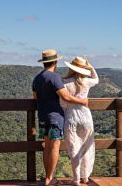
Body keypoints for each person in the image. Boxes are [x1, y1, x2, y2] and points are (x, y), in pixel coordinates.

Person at [32, 49, 89, 186]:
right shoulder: (54, 77)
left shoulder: (37, 78)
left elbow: (35, 97)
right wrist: (83, 101)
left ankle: (48, 177)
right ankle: (49, 179)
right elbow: (65, 96)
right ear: (55, 62)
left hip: (42, 115)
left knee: (47, 146)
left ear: (44, 63)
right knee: (54, 146)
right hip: (55, 116)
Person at [60, 57, 99, 185]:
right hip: (86, 117)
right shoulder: (86, 81)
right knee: (86, 147)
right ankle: (85, 177)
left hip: (71, 117)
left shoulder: (63, 81)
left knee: (74, 149)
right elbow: (97, 79)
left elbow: (62, 102)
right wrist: (91, 67)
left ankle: (76, 179)